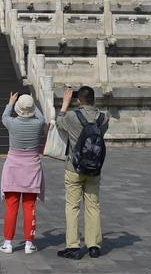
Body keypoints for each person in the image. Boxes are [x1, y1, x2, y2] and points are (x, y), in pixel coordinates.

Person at [56, 86, 109, 260]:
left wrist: (64, 104)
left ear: (78, 100)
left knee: (72, 206)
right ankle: (93, 245)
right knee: (93, 206)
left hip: (74, 167)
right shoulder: (103, 117)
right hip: (94, 168)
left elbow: (59, 123)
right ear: (94, 99)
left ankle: (73, 246)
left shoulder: (72, 116)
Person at [0, 92, 47, 254]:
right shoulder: (39, 123)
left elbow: (5, 115)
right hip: (32, 169)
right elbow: (41, 115)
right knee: (29, 207)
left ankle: (8, 242)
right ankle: (28, 243)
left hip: (13, 168)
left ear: (18, 108)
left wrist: (11, 102)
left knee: (11, 207)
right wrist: (33, 103)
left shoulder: (11, 123)